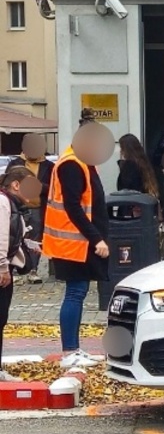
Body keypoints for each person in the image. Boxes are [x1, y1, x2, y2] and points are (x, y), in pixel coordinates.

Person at [44, 122, 114, 370]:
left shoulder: (80, 162)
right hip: (74, 244)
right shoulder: (72, 164)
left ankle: (73, 348)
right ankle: (70, 350)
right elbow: (73, 207)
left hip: (76, 242)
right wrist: (96, 239)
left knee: (78, 292)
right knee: (75, 293)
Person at [0, 166, 42, 380]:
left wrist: (31, 245)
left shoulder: (11, 204)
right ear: (16, 185)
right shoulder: (3, 203)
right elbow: (1, 237)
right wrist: (2, 267)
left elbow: (14, 235)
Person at [17, 132, 53, 283]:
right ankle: (16, 268)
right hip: (18, 207)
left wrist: (38, 186)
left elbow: (54, 188)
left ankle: (33, 269)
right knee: (16, 236)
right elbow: (7, 185)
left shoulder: (49, 166)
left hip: (38, 207)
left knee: (35, 239)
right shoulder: (16, 164)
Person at [116, 134, 160, 200]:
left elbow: (126, 188)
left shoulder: (129, 166)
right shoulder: (144, 163)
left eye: (121, 148)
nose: (120, 151)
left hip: (132, 202)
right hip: (144, 201)